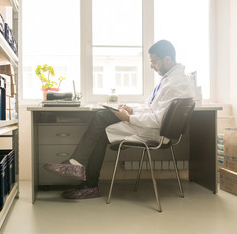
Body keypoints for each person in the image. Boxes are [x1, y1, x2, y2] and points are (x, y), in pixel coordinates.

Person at [44, 40, 195, 199]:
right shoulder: (170, 79)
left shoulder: (176, 84)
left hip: (154, 132)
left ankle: (80, 171)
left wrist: (129, 118)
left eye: (154, 61)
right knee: (101, 127)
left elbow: (158, 120)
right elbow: (153, 108)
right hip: (152, 128)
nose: (152, 66)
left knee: (101, 117)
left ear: (168, 59)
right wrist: (132, 109)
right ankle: (86, 180)